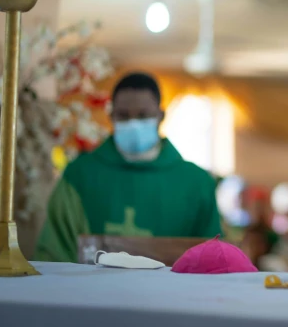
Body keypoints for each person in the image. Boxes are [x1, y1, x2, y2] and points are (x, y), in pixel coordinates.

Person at [35, 72, 223, 262]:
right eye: (123, 116)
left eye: (143, 116)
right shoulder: (79, 175)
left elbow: (211, 258)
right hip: (91, 291)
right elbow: (54, 251)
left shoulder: (197, 183)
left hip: (173, 292)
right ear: (111, 116)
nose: (133, 124)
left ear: (160, 116)